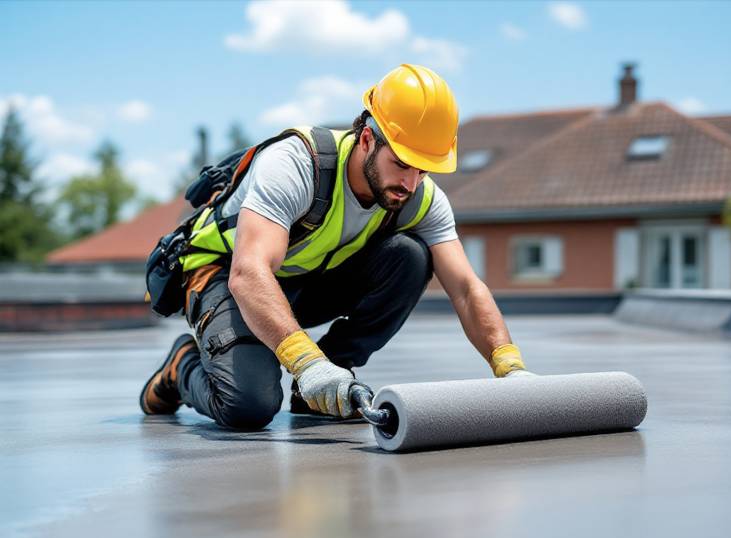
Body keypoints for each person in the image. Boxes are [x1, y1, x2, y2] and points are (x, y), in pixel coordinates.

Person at [140, 64, 532, 430]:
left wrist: (509, 366)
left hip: (297, 281)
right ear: (366, 138)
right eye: (402, 163)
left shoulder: (418, 197)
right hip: (225, 275)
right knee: (249, 406)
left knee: (411, 256)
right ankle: (182, 367)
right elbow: (248, 273)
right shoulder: (296, 163)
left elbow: (465, 288)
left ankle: (328, 382)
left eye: (423, 169)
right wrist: (305, 363)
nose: (411, 183)